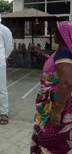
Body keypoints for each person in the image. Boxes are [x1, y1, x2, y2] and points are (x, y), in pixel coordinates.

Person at [31, 21, 72, 153]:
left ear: (62, 35)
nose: (53, 34)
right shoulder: (62, 51)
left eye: (55, 32)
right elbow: (56, 66)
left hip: (55, 102)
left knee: (49, 137)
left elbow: (66, 83)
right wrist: (42, 54)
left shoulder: (64, 52)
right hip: (51, 99)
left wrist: (57, 111)